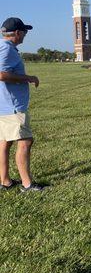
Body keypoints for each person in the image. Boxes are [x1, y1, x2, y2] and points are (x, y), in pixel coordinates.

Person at [0, 17, 43, 192]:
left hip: (4, 105)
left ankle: (5, 181)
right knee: (25, 141)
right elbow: (2, 74)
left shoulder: (4, 47)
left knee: (4, 142)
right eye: (24, 31)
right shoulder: (7, 49)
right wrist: (29, 78)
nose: (25, 35)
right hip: (13, 107)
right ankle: (27, 184)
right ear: (17, 33)